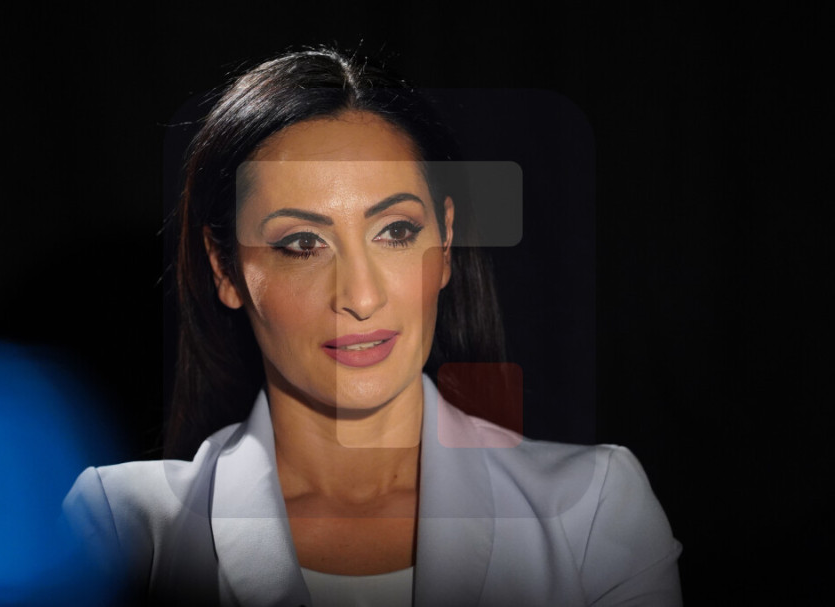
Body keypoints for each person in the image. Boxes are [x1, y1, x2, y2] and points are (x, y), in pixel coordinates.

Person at [63, 47, 682, 606]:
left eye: (395, 232)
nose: (360, 297)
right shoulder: (122, 528)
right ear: (225, 269)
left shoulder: (593, 511)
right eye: (302, 243)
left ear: (445, 242)